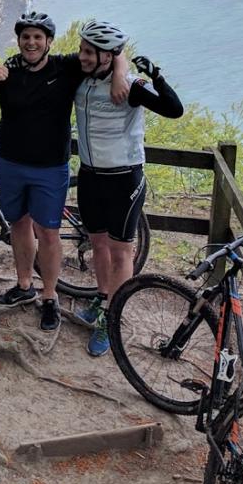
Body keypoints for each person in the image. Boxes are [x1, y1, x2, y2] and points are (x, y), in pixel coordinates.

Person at [0, 12, 127, 330]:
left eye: (38, 37)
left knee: (47, 233)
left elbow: (113, 51)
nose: (31, 42)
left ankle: (50, 296)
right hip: (10, 163)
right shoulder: (8, 72)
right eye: (25, 37)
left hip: (50, 168)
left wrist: (119, 76)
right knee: (19, 225)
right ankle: (24, 286)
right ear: (19, 41)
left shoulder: (67, 66)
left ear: (48, 41)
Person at [73, 19, 184, 356]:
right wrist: (118, 63)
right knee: (97, 244)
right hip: (90, 175)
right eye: (82, 49)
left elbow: (174, 110)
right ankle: (103, 297)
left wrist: (156, 77)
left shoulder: (131, 87)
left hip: (124, 179)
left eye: (90, 52)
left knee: (122, 251)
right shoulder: (80, 76)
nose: (83, 56)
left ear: (108, 56)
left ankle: (113, 317)